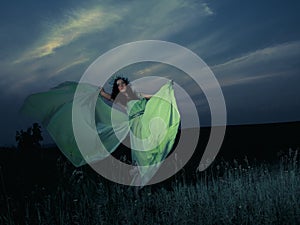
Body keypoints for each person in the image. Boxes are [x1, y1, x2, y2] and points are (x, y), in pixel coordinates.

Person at [20, 76, 180, 186]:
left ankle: (142, 179)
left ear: (126, 84)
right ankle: (138, 185)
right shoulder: (121, 100)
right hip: (136, 127)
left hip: (146, 120)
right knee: (143, 155)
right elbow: (108, 98)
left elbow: (155, 97)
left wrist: (167, 90)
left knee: (156, 143)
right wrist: (101, 92)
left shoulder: (137, 94)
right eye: (118, 85)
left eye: (122, 83)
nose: (120, 85)